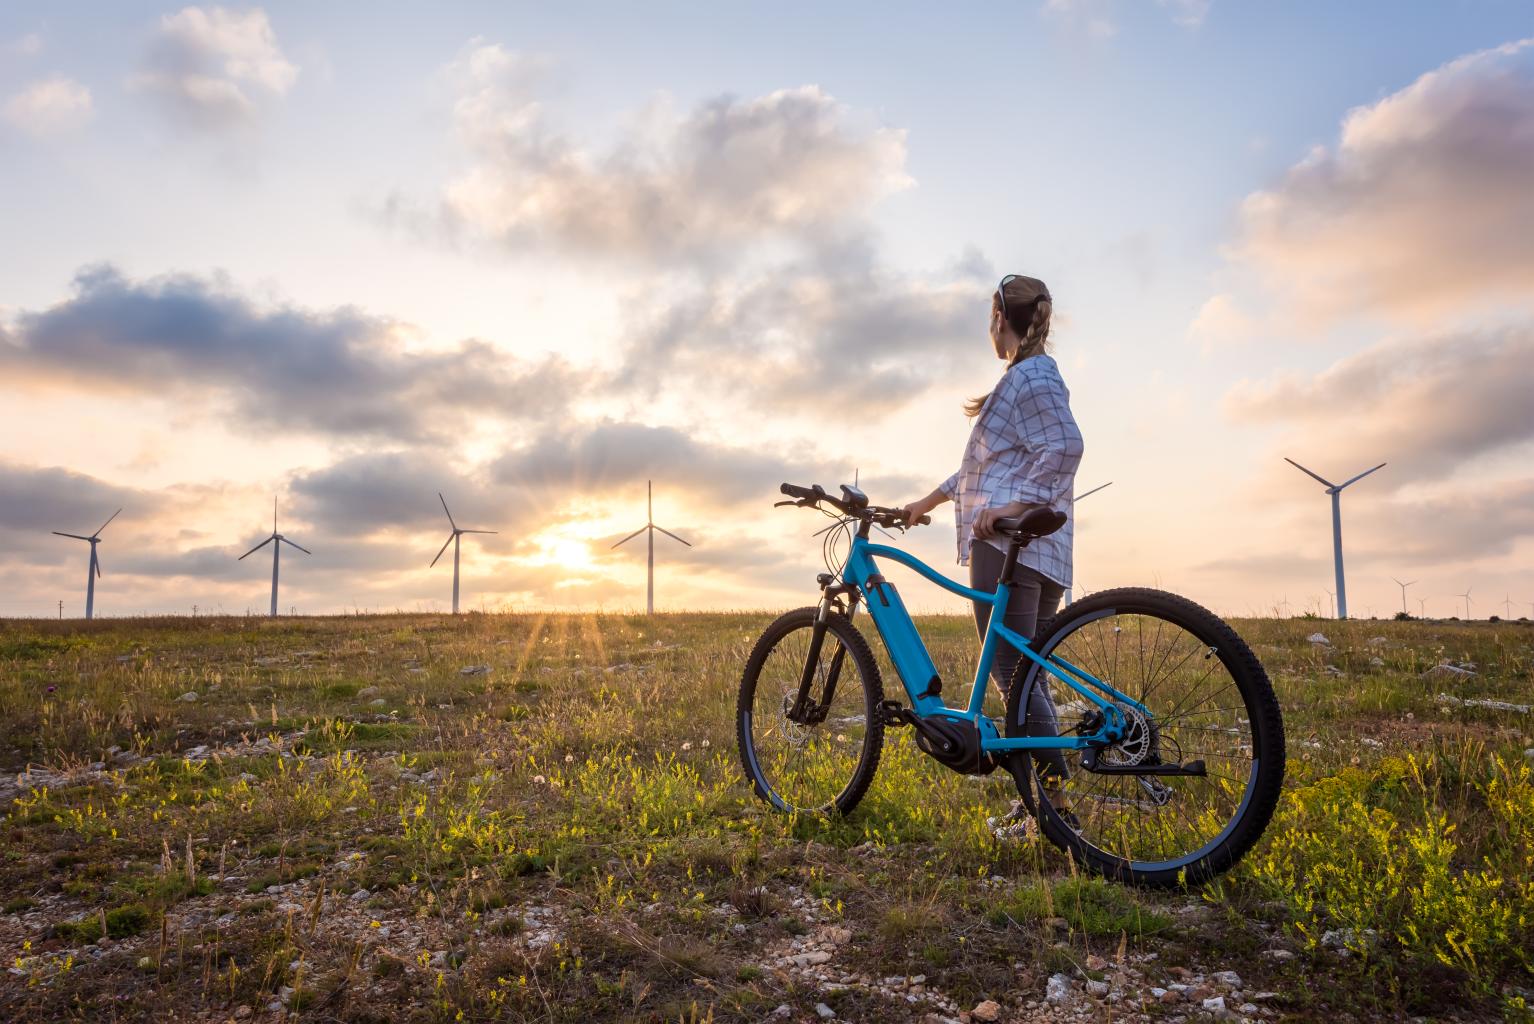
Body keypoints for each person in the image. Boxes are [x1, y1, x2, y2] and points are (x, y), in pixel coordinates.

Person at [901, 273, 1084, 822]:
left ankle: (1049, 809)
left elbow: (1066, 446)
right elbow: (983, 469)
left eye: (989, 319)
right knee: (1026, 675)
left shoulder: (1031, 377)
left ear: (999, 320)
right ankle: (1047, 801)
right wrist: (927, 502)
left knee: (1012, 676)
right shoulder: (1027, 378)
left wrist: (1009, 510)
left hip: (1011, 547)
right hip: (1040, 550)